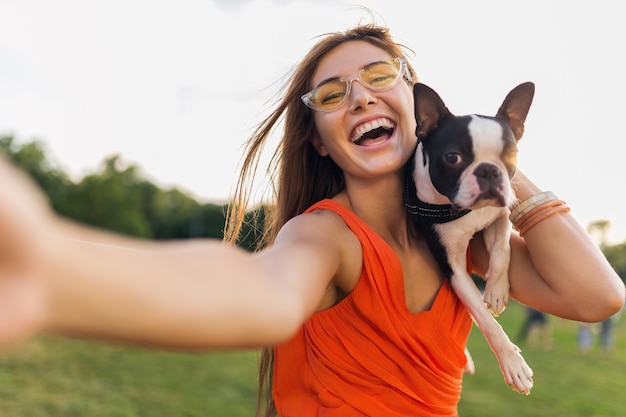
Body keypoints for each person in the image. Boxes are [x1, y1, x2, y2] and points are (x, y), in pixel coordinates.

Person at [0, 22, 623, 417]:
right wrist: (51, 266)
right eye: (332, 94)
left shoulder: (465, 244)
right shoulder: (327, 233)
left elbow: (598, 295)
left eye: (380, 77)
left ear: (418, 109)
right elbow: (258, 293)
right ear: (322, 141)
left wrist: (492, 158)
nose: (359, 96)